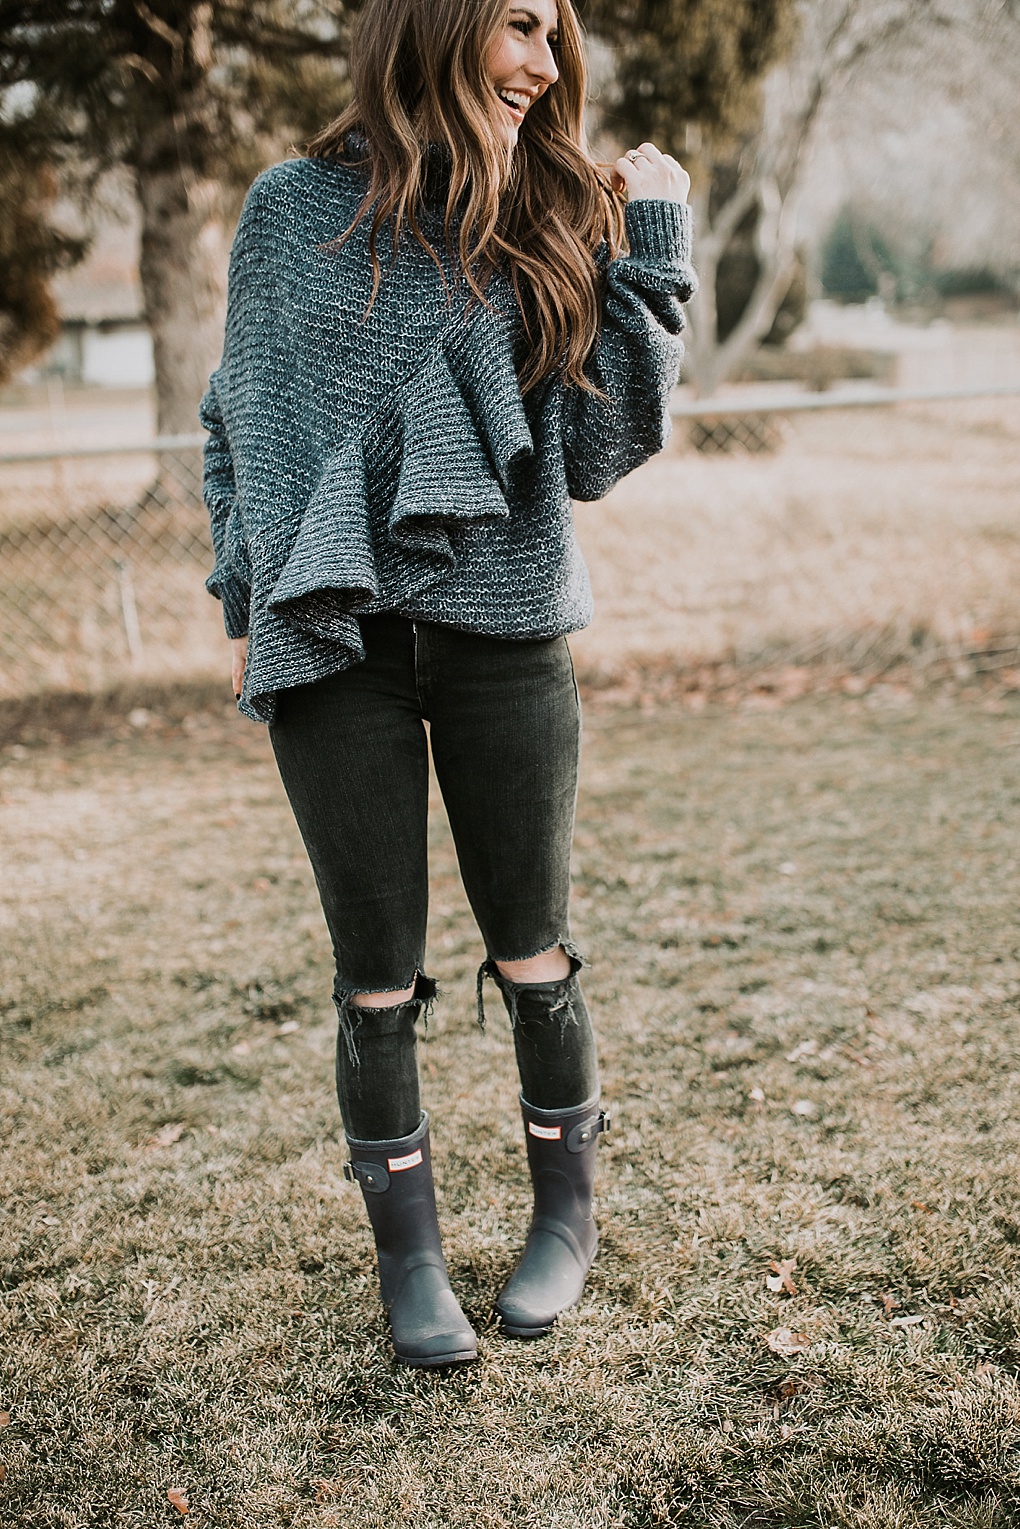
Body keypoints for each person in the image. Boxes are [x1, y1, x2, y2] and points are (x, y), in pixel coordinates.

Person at [200, 0, 695, 1369]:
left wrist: (648, 253)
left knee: (532, 949)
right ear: (433, 24)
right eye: (519, 25)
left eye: (557, 35)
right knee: (375, 980)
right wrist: (244, 591)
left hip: (505, 639)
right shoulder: (287, 212)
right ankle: (410, 1259)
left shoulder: (552, 213)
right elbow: (235, 417)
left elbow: (601, 450)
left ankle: (564, 1221)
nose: (545, 63)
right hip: (334, 648)